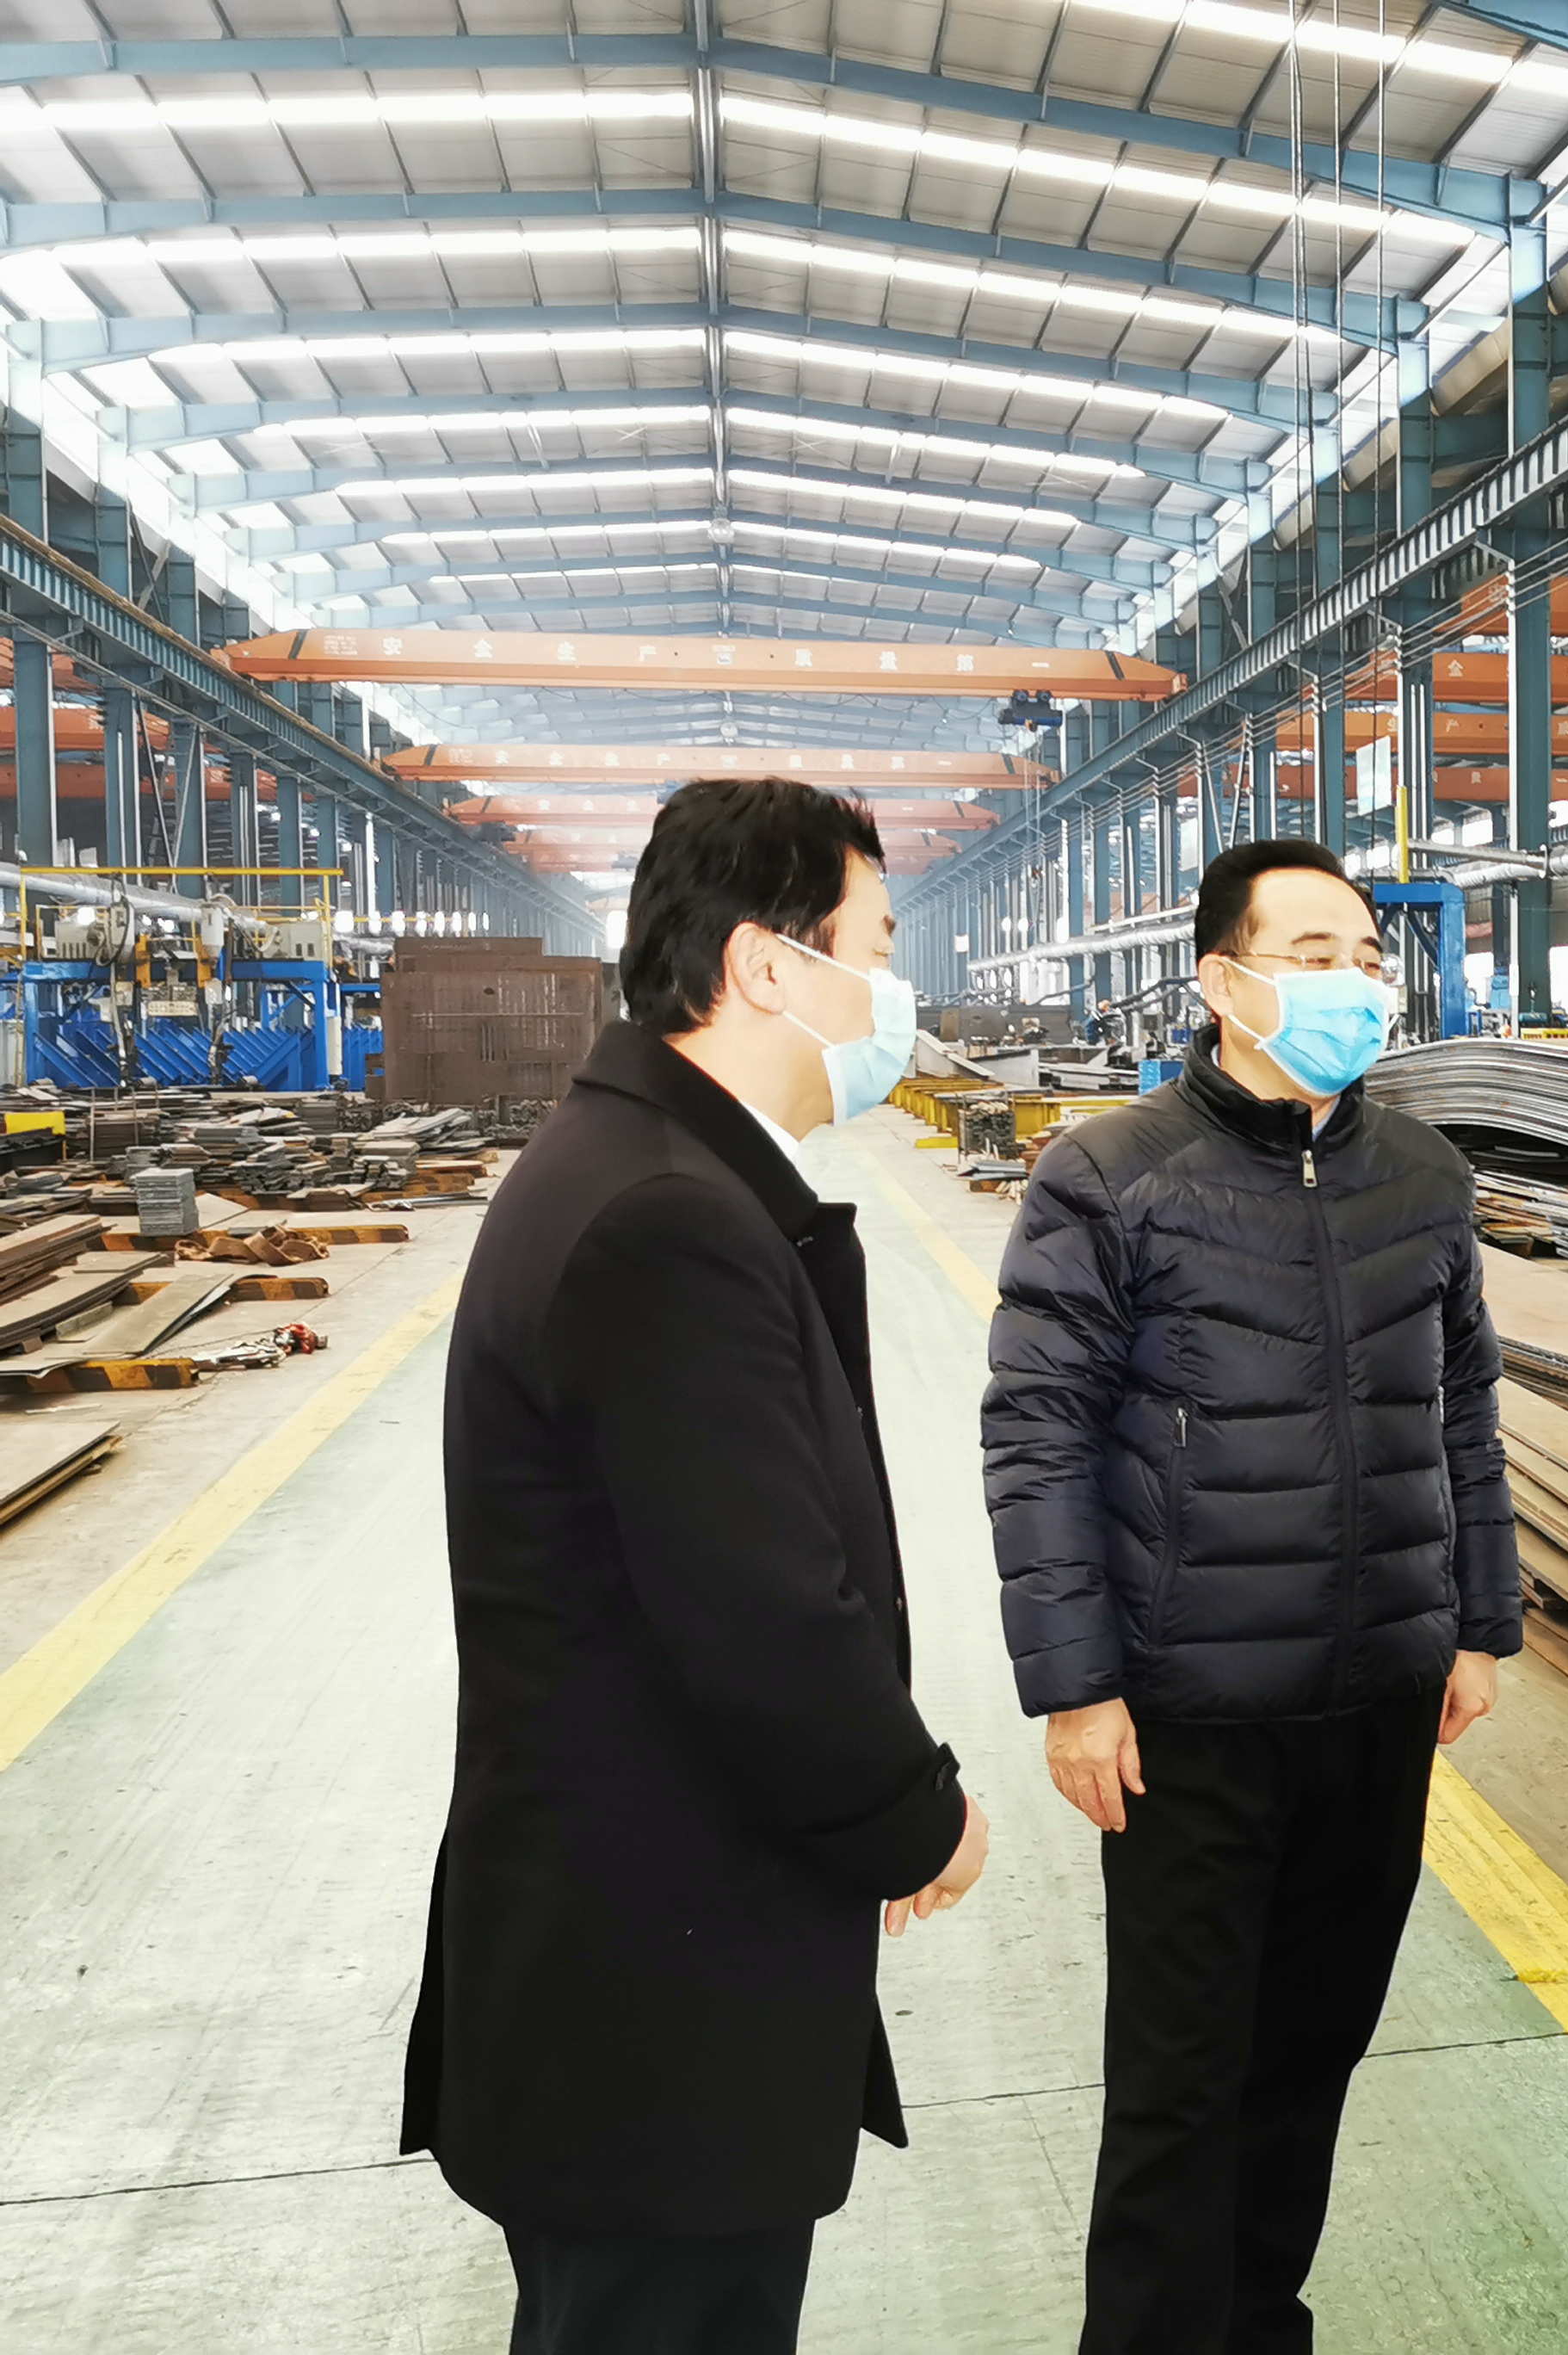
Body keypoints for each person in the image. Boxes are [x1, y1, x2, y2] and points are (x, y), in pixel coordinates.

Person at [404, 777, 990, 2353]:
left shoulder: (641, 1168)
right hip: (656, 1994)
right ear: (766, 966)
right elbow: (763, 1619)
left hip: (632, 1965)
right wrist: (915, 1818)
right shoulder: (666, 1218)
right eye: (878, 945)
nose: (895, 991)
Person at [983, 837, 1521, 2355]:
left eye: (1368, 957)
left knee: (1308, 2065)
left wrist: (1480, 1622)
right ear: (1224, 981)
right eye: (1315, 955)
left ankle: (1262, 2327)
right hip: (1195, 1719)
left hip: (1378, 1705)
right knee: (1181, 2088)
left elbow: (1464, 1408)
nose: (1356, 983)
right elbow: (1038, 1436)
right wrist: (1078, 1687)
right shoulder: (1111, 1176)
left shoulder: (1423, 1174)